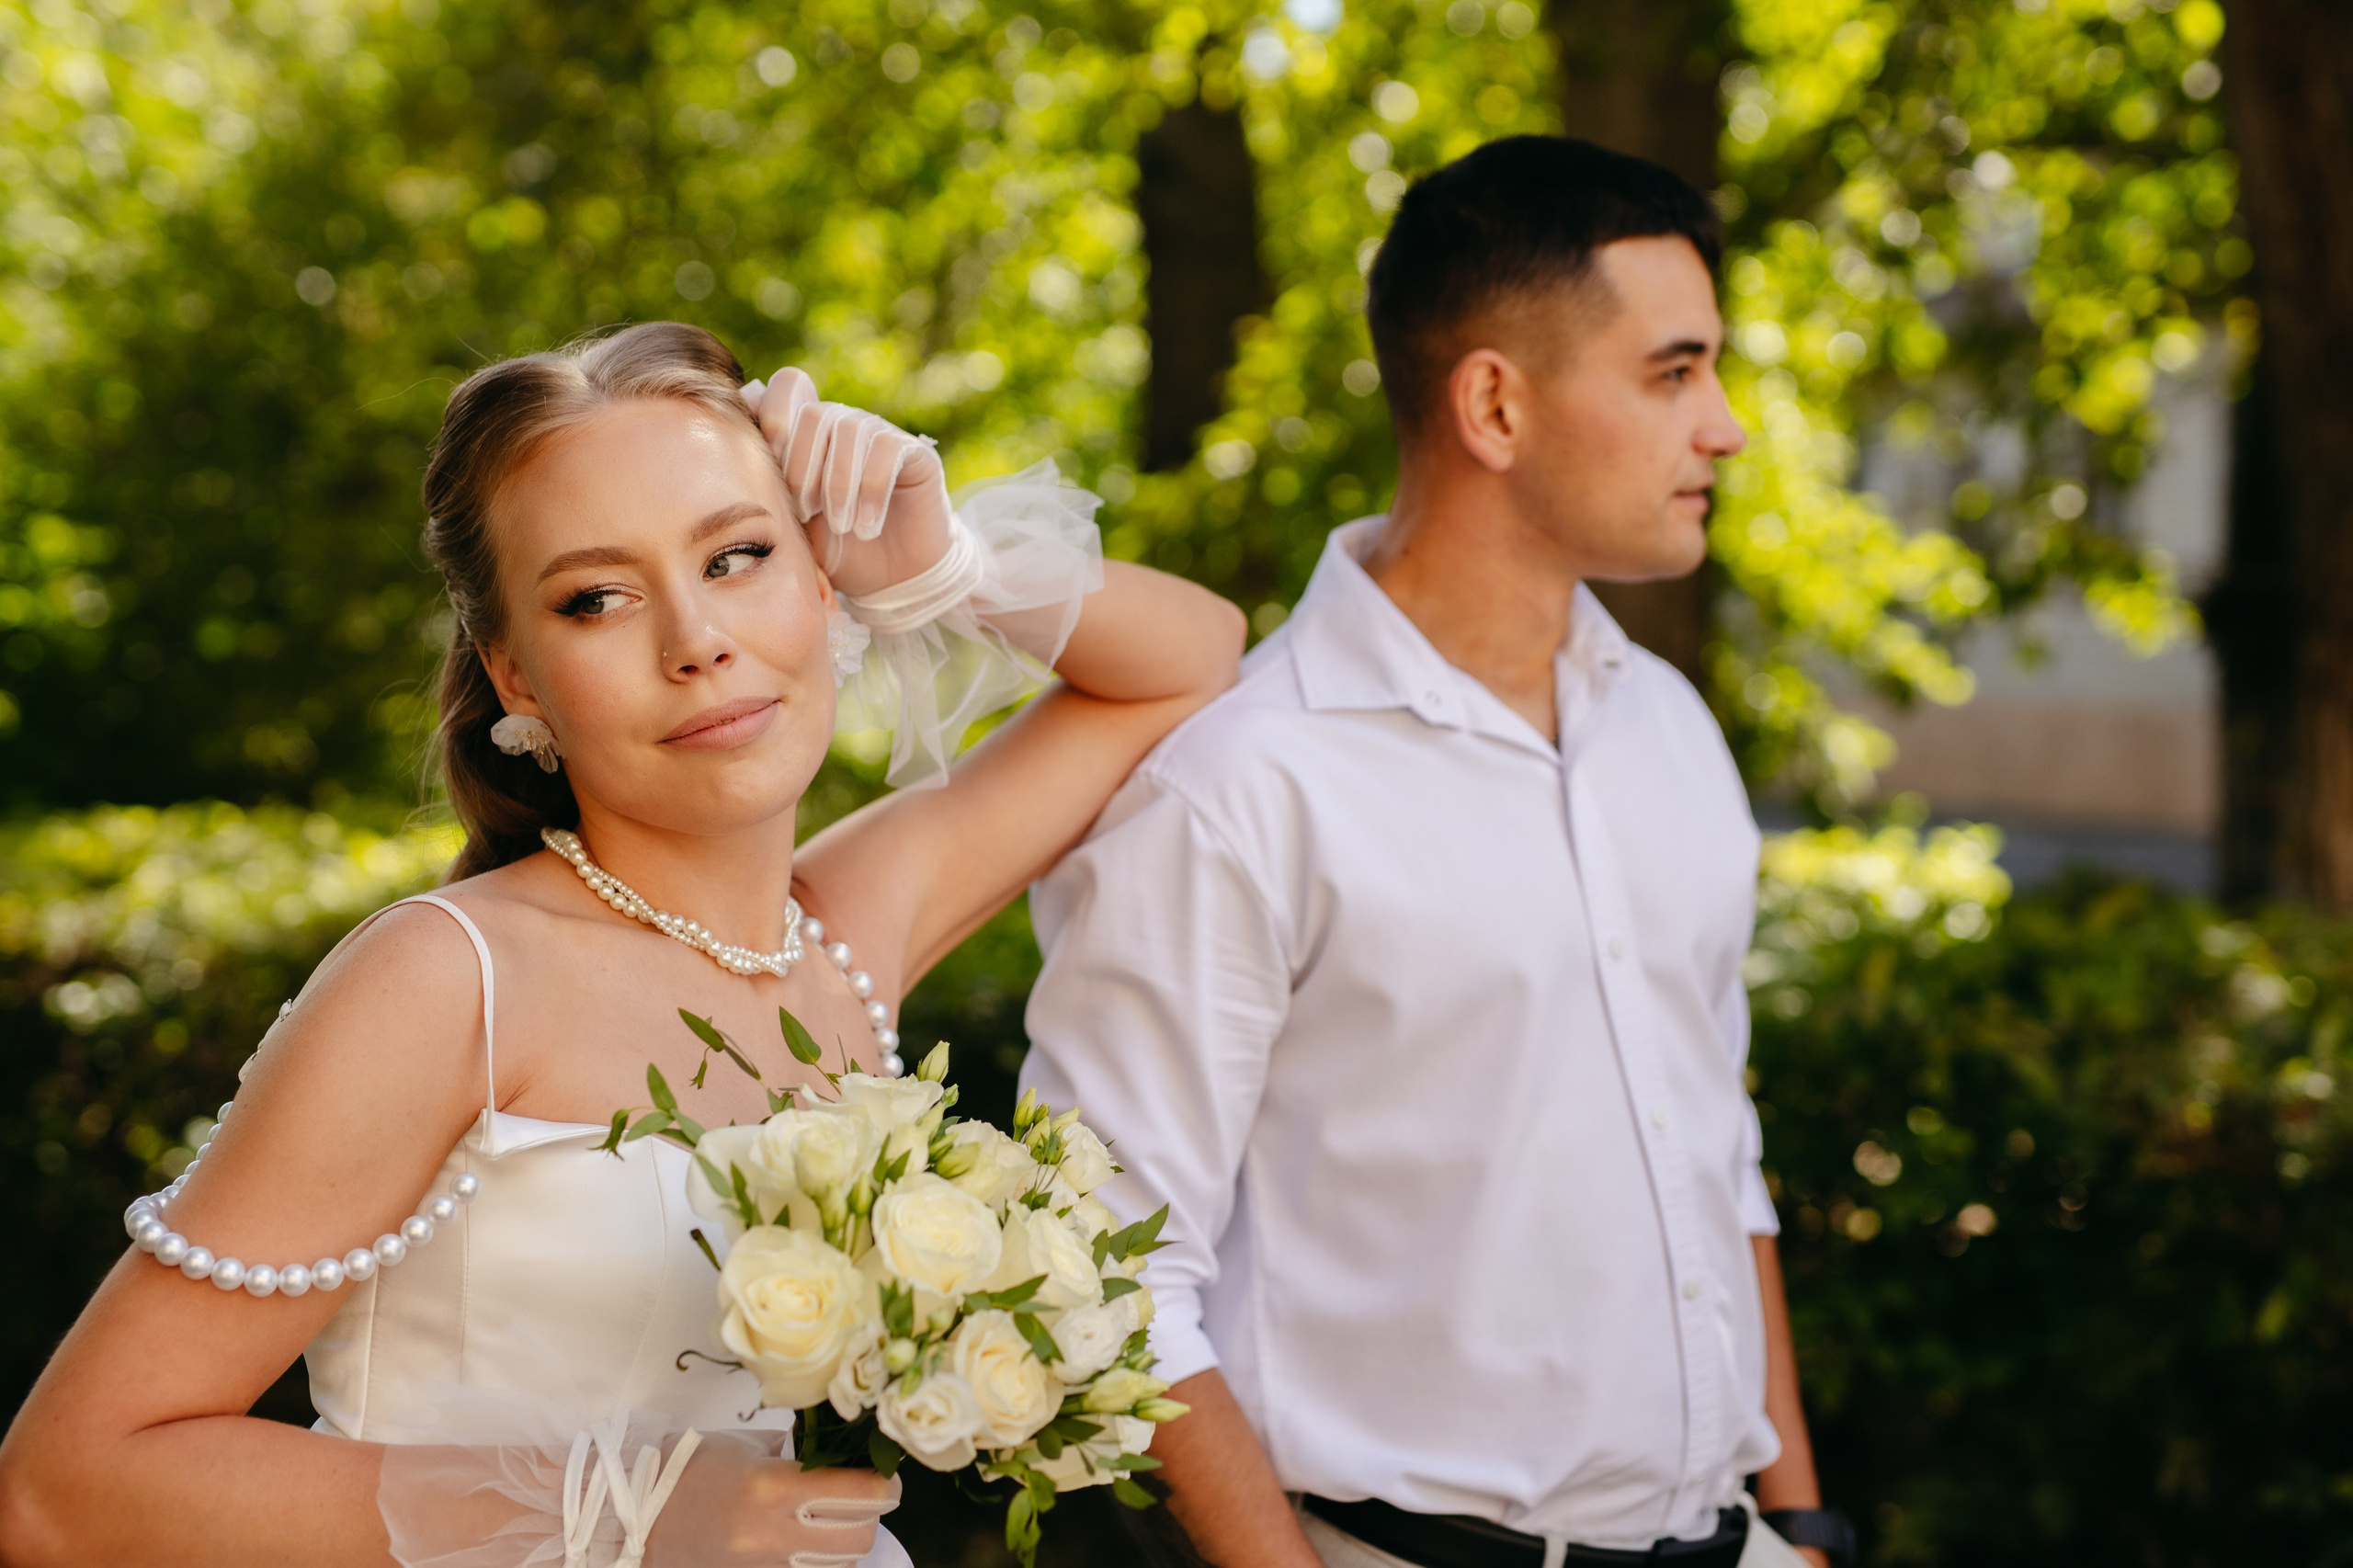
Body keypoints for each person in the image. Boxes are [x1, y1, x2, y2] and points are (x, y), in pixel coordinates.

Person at [0, 322, 1245, 1567]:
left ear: (822, 585)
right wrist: (615, 1513)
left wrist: (936, 559)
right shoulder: (449, 981)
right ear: (517, 675)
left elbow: (1189, 662)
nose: (694, 639)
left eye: (740, 554)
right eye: (596, 597)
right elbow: (62, 1487)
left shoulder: (843, 936)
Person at [1019, 136, 1854, 1568]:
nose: (1724, 426)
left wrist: (1802, 1519)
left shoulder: (1668, 730)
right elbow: (1102, 1268)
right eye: (1674, 372)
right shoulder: (1240, 785)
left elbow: (1721, 1153)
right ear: (1494, 403)